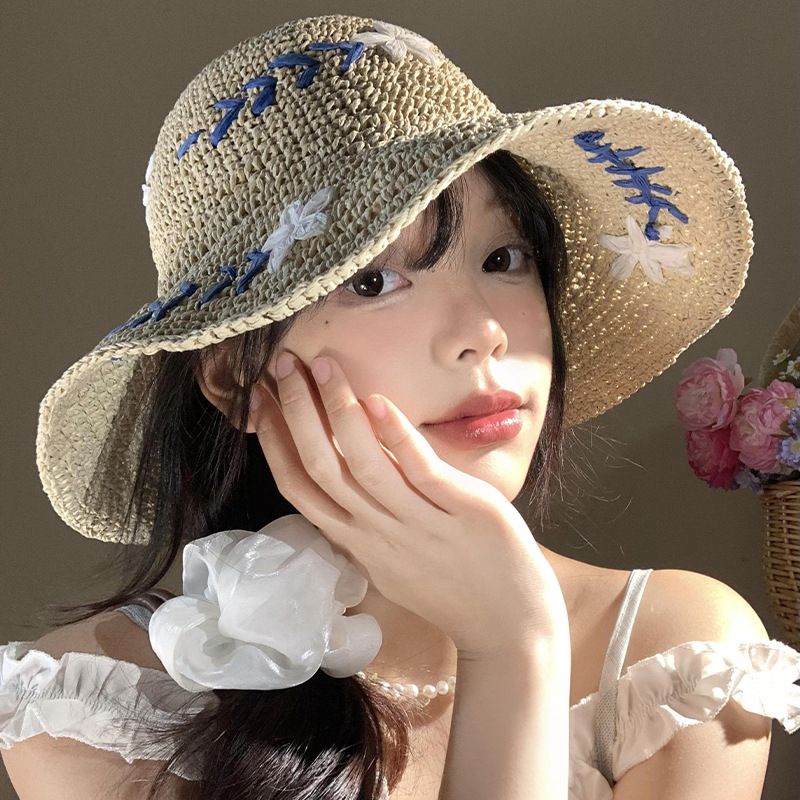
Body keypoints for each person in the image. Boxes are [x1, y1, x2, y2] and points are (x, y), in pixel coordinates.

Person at [1, 13, 798, 800]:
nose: (483, 333)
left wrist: (515, 639)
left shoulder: (678, 657)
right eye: (373, 279)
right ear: (235, 380)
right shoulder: (93, 706)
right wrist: (510, 646)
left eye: (504, 258)